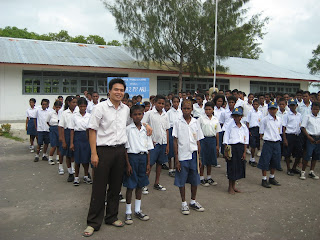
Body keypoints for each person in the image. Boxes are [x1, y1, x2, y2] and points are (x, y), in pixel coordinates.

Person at [83, 78, 152, 237]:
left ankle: (111, 217)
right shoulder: (100, 108)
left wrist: (147, 125)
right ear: (109, 91)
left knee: (115, 187)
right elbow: (92, 130)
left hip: (120, 151)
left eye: (121, 90)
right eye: (116, 89)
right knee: (99, 188)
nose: (119, 92)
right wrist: (94, 153)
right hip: (103, 151)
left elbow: (136, 121)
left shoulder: (126, 109)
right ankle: (93, 222)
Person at [173, 99, 205, 215]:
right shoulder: (177, 122)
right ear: (181, 109)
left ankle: (193, 201)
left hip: (193, 155)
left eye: (188, 108)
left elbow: (198, 141)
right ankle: (183, 203)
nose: (186, 110)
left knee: (194, 179)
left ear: (192, 109)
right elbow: (175, 141)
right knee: (181, 180)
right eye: (184, 108)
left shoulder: (195, 122)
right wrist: (176, 159)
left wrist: (199, 158)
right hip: (182, 155)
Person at [123, 105, 153, 225]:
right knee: (130, 186)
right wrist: (128, 164)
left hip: (143, 158)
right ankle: (128, 211)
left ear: (142, 115)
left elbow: (148, 147)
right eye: (135, 114)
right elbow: (125, 149)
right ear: (131, 116)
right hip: (132, 158)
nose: (137, 116)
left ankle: (137, 210)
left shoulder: (146, 129)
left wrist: (148, 163)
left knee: (140, 185)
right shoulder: (128, 129)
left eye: (139, 114)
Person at [142, 95, 170, 192]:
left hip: (163, 143)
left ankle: (156, 183)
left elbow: (166, 130)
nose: (161, 105)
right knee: (149, 164)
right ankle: (144, 184)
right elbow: (142, 124)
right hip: (153, 143)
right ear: (154, 103)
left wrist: (167, 145)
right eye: (159, 103)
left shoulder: (165, 115)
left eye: (163, 104)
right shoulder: (149, 114)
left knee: (160, 163)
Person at [223, 107, 249, 194]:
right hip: (232, 148)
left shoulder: (244, 127)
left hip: (240, 148)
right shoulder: (230, 126)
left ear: (241, 117)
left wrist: (244, 152)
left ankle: (234, 186)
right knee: (231, 167)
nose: (236, 118)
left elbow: (245, 140)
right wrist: (226, 150)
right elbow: (226, 138)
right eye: (235, 116)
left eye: (238, 116)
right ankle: (230, 186)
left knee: (238, 168)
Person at [257, 102, 282, 188]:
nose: (272, 111)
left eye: (274, 109)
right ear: (268, 110)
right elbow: (261, 132)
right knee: (265, 161)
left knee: (275, 160)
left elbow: (280, 131)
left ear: (276, 110)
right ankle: (264, 179)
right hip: (268, 142)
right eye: (271, 109)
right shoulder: (265, 120)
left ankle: (272, 177)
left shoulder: (279, 119)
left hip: (277, 142)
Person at [70, 97, 92, 186]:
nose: (83, 108)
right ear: (78, 106)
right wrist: (71, 143)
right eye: (81, 106)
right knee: (77, 159)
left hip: (86, 138)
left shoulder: (89, 116)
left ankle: (86, 175)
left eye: (84, 106)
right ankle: (76, 177)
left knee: (86, 159)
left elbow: (91, 129)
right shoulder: (74, 116)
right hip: (77, 137)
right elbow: (72, 130)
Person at [198, 102, 221, 186]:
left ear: (213, 110)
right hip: (203, 140)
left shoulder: (215, 119)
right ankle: (201, 177)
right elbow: (197, 131)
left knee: (210, 160)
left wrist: (217, 145)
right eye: (206, 109)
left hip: (212, 140)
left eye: (209, 109)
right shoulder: (201, 119)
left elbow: (217, 132)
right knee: (202, 159)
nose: (208, 111)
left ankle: (209, 177)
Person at [58, 96, 78, 180]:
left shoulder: (78, 112)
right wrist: (63, 140)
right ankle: (70, 172)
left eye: (76, 102)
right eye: (73, 102)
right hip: (67, 133)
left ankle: (74, 169)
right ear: (68, 103)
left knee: (75, 154)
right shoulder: (64, 113)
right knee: (68, 155)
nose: (75, 104)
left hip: (76, 133)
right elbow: (61, 127)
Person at [282, 99, 302, 176]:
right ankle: (288, 168)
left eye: (294, 105)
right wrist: (285, 139)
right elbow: (283, 127)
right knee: (287, 153)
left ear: (296, 106)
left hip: (297, 135)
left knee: (299, 152)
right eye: (291, 105)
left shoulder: (299, 115)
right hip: (289, 135)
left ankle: (294, 168)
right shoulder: (286, 115)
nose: (292, 107)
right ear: (289, 106)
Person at [300, 102, 320, 180]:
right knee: (308, 154)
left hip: (318, 138)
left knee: (316, 155)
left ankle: (311, 171)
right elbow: (303, 127)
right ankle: (303, 171)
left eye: (317, 109)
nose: (316, 111)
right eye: (314, 109)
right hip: (310, 138)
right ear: (311, 109)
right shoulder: (307, 116)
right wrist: (308, 136)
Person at [166, 96, 182, 177]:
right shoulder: (169, 112)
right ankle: (170, 168)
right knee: (171, 150)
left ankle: (176, 167)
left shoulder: (181, 112)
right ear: (172, 102)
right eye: (174, 102)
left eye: (177, 102)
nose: (176, 103)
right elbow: (167, 124)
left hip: (179, 130)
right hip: (171, 130)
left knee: (177, 150)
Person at [246, 99, 263, 167]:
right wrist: (248, 131)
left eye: (256, 104)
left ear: (258, 105)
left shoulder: (260, 113)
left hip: (258, 129)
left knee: (257, 144)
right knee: (252, 145)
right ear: (252, 105)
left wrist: (261, 132)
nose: (255, 106)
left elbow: (261, 123)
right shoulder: (250, 112)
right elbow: (248, 122)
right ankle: (252, 159)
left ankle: (252, 159)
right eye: (254, 104)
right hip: (252, 129)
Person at [47, 100, 62, 165]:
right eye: (57, 107)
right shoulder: (51, 113)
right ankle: (50, 158)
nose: (58, 109)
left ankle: (58, 157)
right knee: (54, 145)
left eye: (59, 107)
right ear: (54, 107)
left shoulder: (62, 113)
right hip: (53, 128)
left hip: (60, 129)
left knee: (59, 145)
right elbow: (47, 121)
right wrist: (52, 127)